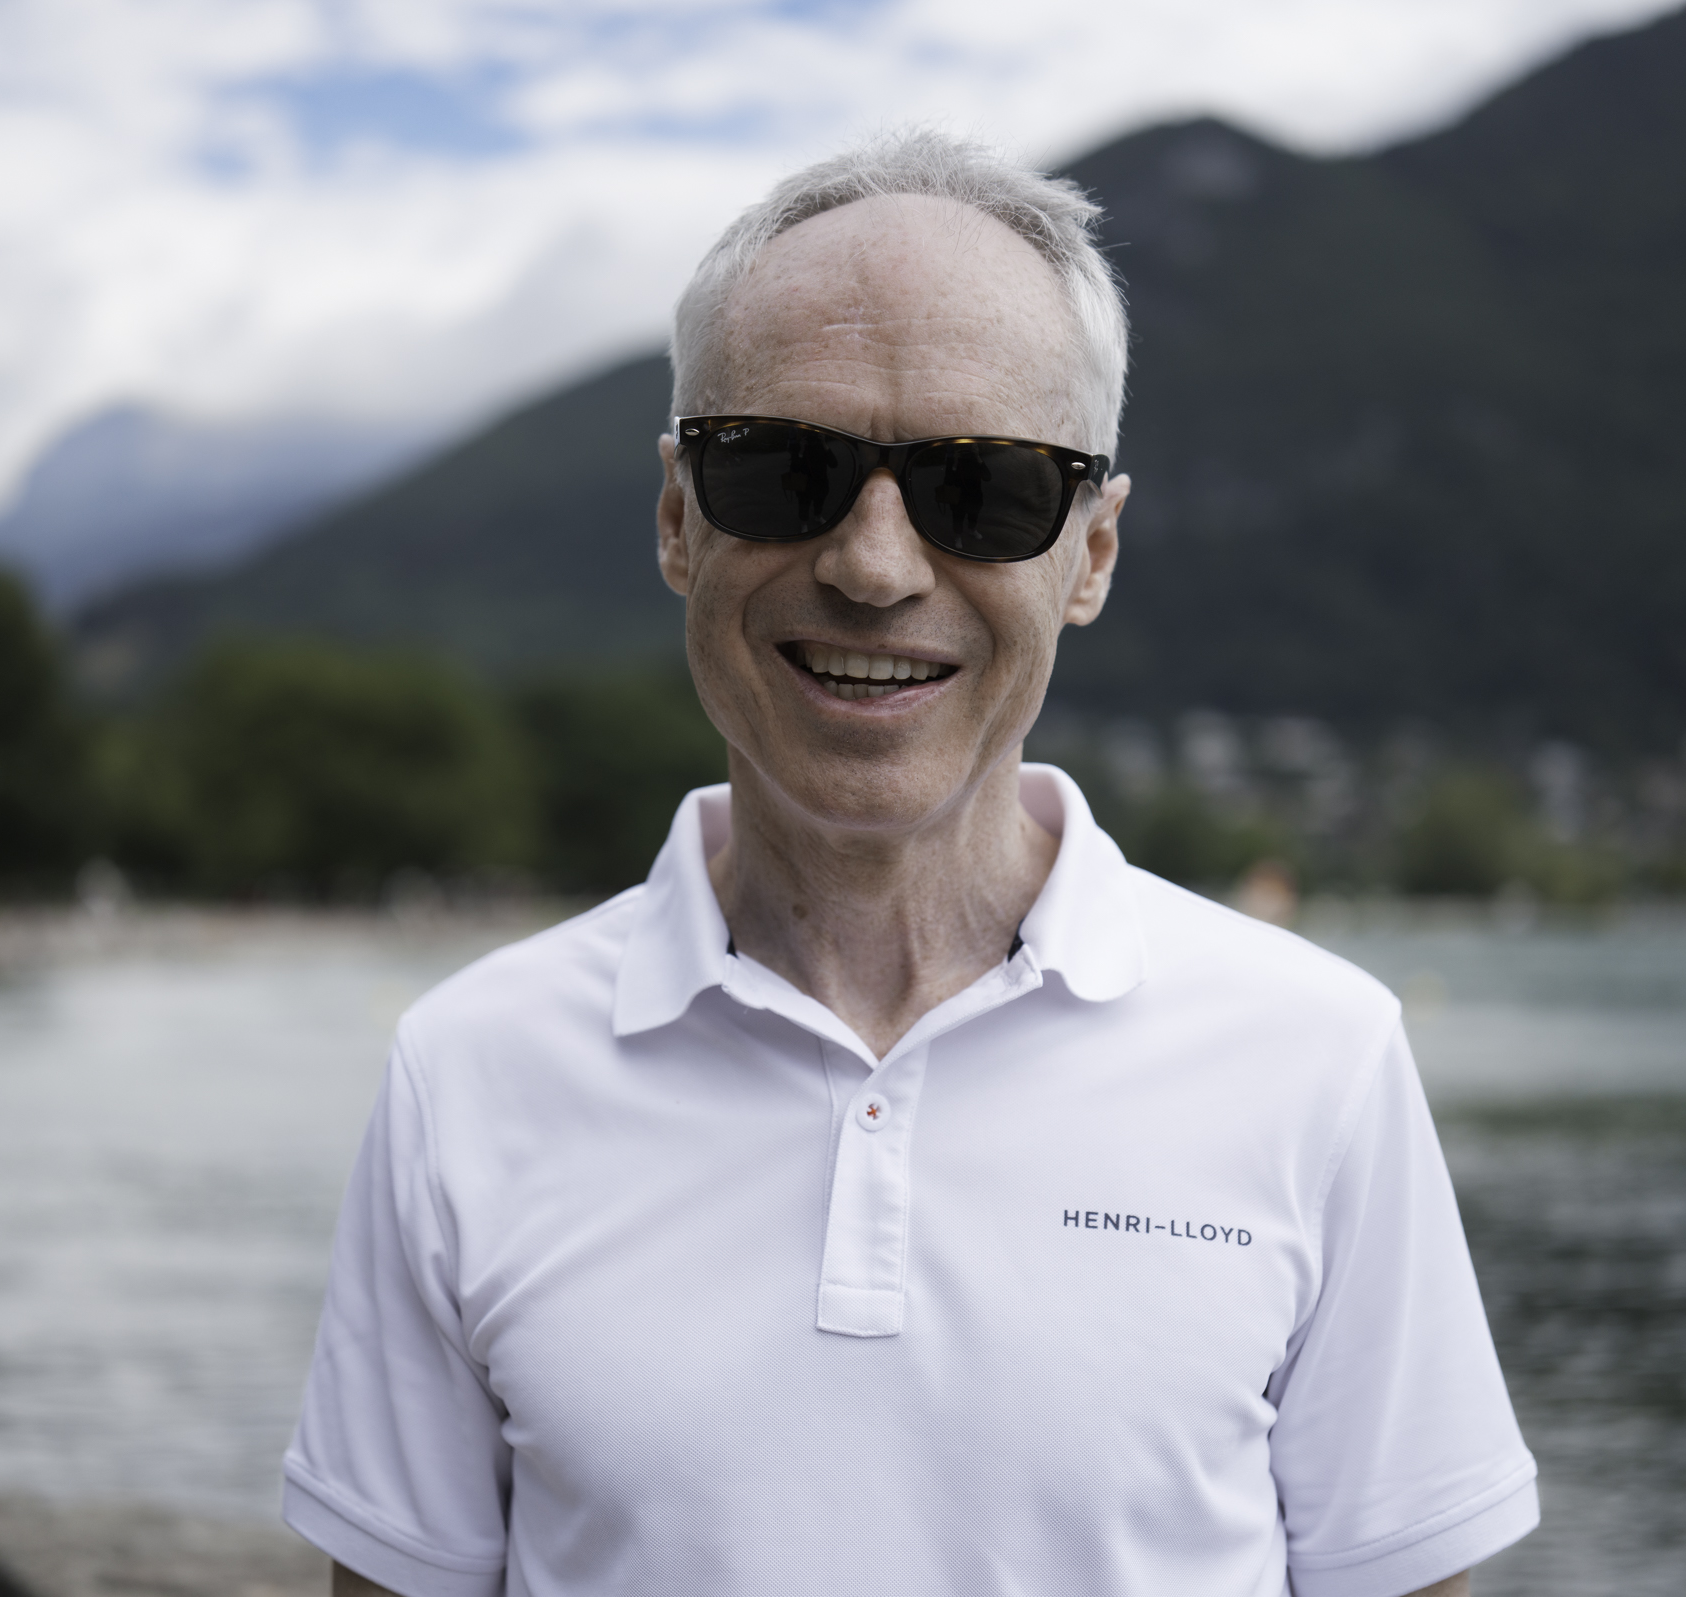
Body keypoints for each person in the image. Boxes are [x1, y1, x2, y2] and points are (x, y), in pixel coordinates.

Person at [284, 129, 1537, 1597]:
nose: (875, 566)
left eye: (983, 489)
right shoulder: (469, 1073)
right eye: (785, 471)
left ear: (1092, 553)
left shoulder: (1318, 1060)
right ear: (680, 517)